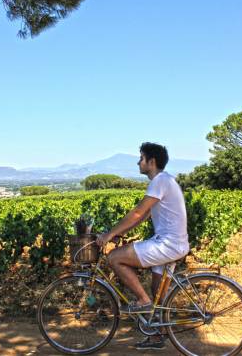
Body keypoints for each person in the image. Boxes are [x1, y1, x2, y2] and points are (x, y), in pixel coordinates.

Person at [96, 142, 189, 350]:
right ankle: (158, 336)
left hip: (168, 244)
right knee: (159, 291)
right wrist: (120, 233)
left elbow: (138, 212)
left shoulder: (159, 181)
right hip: (175, 243)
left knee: (114, 258)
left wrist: (110, 234)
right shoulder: (165, 181)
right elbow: (144, 215)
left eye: (141, 158)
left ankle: (142, 300)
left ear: (151, 162)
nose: (138, 162)